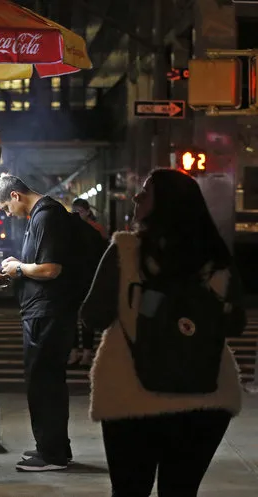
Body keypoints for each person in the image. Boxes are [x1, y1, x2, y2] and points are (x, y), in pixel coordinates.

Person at [80, 168, 246, 497]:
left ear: (165, 203)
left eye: (146, 191)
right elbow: (235, 324)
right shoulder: (216, 259)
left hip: (130, 396)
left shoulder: (125, 251)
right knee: (181, 491)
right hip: (207, 397)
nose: (137, 197)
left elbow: (94, 316)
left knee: (130, 490)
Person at [0, 175, 79, 472]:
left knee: (44, 382)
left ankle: (52, 455)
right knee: (45, 381)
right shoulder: (41, 216)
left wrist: (19, 267)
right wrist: (19, 265)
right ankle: (52, 447)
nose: (8, 214)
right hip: (42, 312)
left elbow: (50, 269)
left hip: (47, 313)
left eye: (6, 207)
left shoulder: (46, 216)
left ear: (16, 195)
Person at [68, 197, 108, 366]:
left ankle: (86, 353)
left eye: (79, 212)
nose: (76, 215)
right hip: (74, 279)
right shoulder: (69, 231)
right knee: (71, 317)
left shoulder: (96, 230)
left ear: (86, 212)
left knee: (85, 318)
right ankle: (75, 351)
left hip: (89, 279)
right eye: (74, 212)